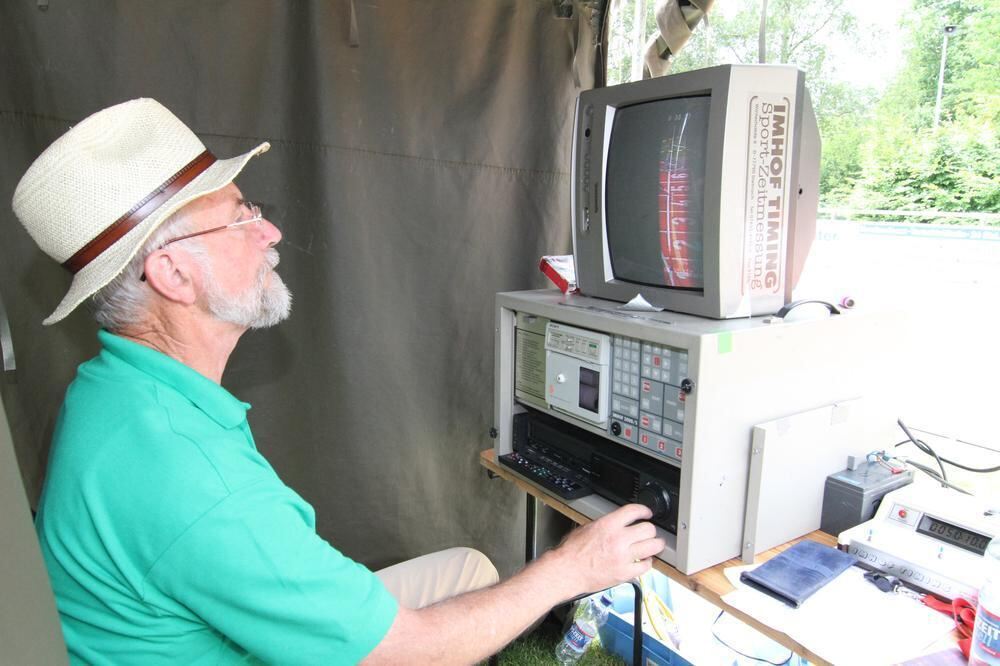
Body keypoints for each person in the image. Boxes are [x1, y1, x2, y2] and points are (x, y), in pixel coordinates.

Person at [12, 98, 665, 665]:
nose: (271, 232)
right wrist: (572, 567)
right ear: (173, 274)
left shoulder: (110, 387)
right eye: (241, 218)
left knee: (470, 570)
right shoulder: (192, 478)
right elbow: (406, 651)